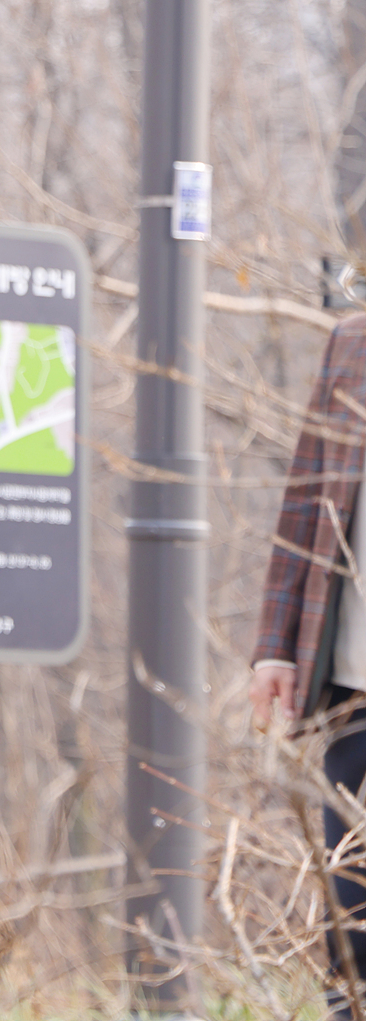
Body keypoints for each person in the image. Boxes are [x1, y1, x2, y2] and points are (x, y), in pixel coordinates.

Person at [251, 313, 366, 1019]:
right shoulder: (353, 339)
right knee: (349, 910)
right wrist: (276, 644)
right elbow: (306, 496)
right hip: (352, 683)